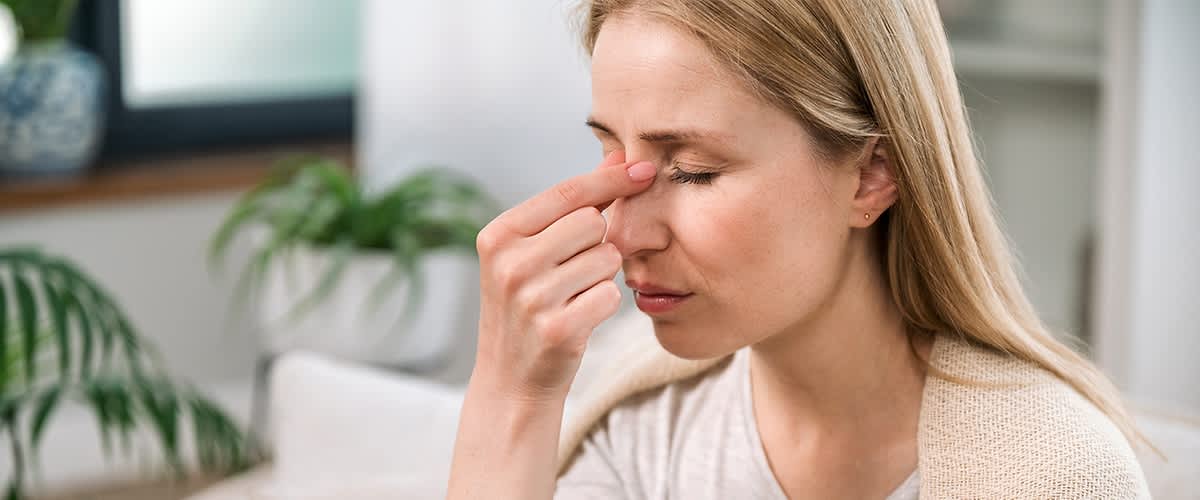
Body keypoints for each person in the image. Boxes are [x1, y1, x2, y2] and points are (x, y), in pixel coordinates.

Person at [447, 0, 1150, 498]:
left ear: (874, 172)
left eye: (693, 170)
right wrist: (509, 395)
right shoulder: (640, 424)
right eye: (610, 156)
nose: (625, 232)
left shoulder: (1056, 475)